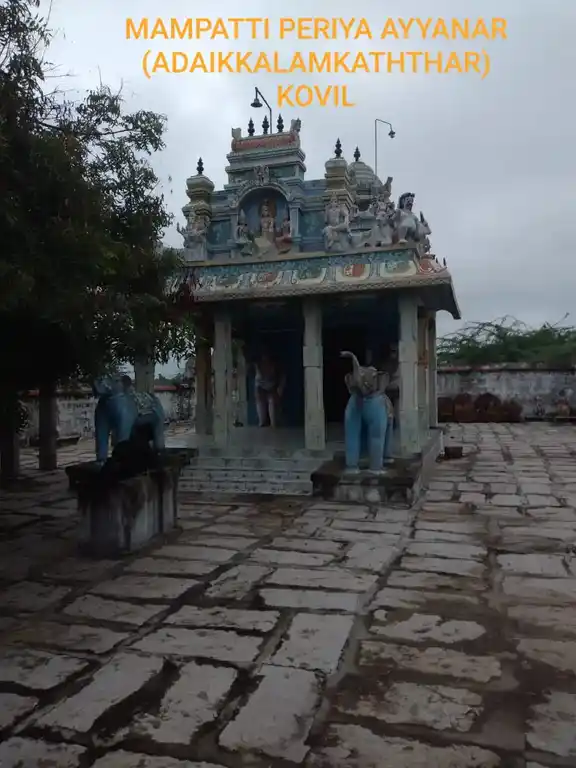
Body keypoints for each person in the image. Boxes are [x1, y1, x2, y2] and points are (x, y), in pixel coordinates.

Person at [254, 353, 285, 427]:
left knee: (272, 402)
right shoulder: (258, 366)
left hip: (271, 385)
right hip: (261, 385)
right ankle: (262, 421)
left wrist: (280, 388)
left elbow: (283, 377)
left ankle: (272, 422)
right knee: (260, 402)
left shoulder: (275, 366)